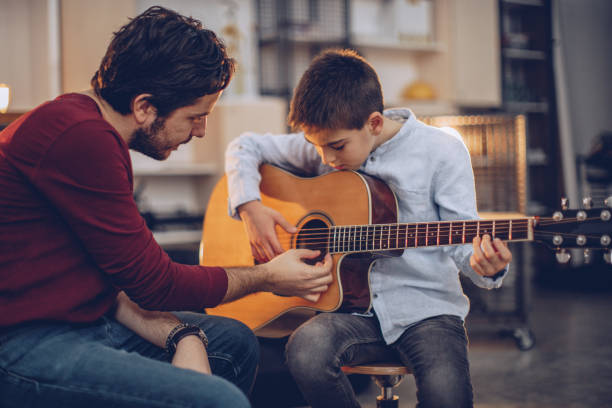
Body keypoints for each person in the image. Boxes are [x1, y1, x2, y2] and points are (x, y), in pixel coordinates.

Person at [0, 6, 332, 408]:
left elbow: (121, 280)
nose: (201, 130)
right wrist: (266, 277)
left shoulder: (90, 128)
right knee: (220, 401)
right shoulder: (80, 137)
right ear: (144, 107)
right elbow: (155, 283)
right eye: (195, 116)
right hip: (25, 340)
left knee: (235, 342)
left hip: (91, 320)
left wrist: (183, 334)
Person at [225, 48, 513, 408]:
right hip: (351, 315)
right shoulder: (326, 139)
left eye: (336, 147)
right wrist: (250, 207)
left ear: (374, 123)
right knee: (305, 348)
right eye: (316, 147)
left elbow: (463, 242)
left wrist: (487, 264)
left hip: (427, 311)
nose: (326, 159)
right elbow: (244, 146)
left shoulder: (442, 151)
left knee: (447, 395)